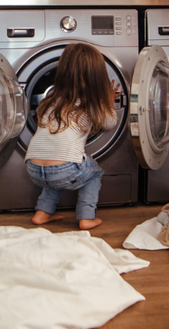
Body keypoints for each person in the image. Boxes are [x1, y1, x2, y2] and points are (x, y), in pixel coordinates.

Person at [24, 43, 121, 230]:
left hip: (33, 168)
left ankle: (42, 213)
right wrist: (108, 101)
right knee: (94, 173)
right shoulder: (92, 103)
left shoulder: (52, 98)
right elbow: (110, 123)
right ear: (98, 77)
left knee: (56, 164)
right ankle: (86, 217)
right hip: (64, 169)